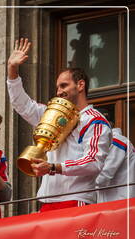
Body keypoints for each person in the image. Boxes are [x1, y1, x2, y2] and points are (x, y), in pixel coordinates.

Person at [7, 38, 112, 212]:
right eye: (57, 88)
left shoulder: (94, 120)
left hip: (76, 199)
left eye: (64, 85)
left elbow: (93, 162)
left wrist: (54, 168)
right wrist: (12, 70)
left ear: (80, 85)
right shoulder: (51, 113)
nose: (58, 92)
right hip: (46, 200)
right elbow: (22, 104)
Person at [96, 108, 135, 203]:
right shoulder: (115, 140)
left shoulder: (116, 141)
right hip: (117, 205)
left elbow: (102, 178)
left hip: (118, 205)